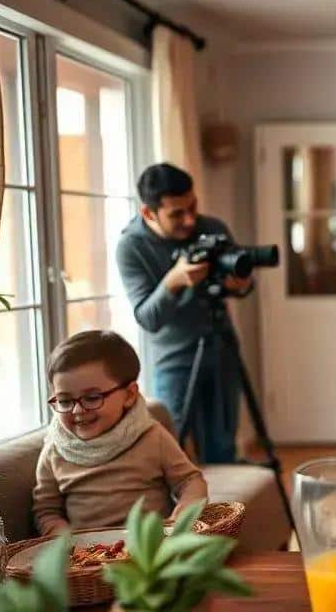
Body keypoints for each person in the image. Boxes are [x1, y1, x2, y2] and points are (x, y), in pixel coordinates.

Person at [116, 163, 251, 463]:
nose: (190, 220)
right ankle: (187, 510)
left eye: (193, 207)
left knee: (223, 449)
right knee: (171, 451)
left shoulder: (212, 228)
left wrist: (240, 284)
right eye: (177, 213)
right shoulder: (130, 247)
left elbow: (237, 287)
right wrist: (173, 282)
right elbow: (148, 318)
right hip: (174, 360)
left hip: (222, 348)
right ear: (149, 213)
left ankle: (226, 510)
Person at [33, 330, 207, 534]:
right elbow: (46, 510)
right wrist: (63, 539)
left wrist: (182, 516)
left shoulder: (151, 436)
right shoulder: (55, 449)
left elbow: (190, 481)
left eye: (92, 398)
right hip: (87, 559)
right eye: (64, 400)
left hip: (151, 551)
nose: (77, 410)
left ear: (130, 394)